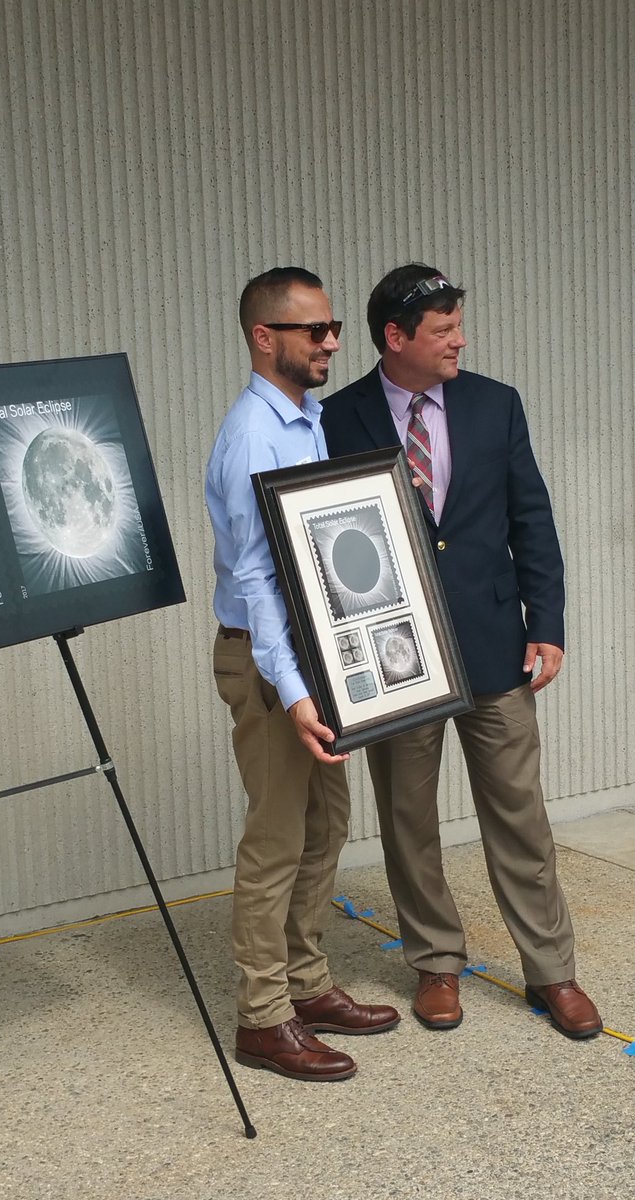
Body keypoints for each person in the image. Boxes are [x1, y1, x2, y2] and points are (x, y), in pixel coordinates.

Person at [320, 262, 602, 1040]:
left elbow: (530, 519)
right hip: (394, 657)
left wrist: (546, 621)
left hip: (491, 646)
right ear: (395, 337)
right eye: (441, 330)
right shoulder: (337, 417)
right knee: (407, 816)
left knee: (520, 816)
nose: (458, 341)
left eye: (456, 326)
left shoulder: (493, 404)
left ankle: (552, 972)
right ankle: (435, 963)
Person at [205, 267, 400, 1082]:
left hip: (309, 656)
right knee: (276, 841)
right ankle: (262, 1018)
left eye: (331, 329)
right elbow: (256, 581)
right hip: (266, 663)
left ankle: (307, 983)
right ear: (263, 337)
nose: (330, 342)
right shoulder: (253, 435)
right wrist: (292, 694)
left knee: (325, 826)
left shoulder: (306, 421)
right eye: (312, 330)